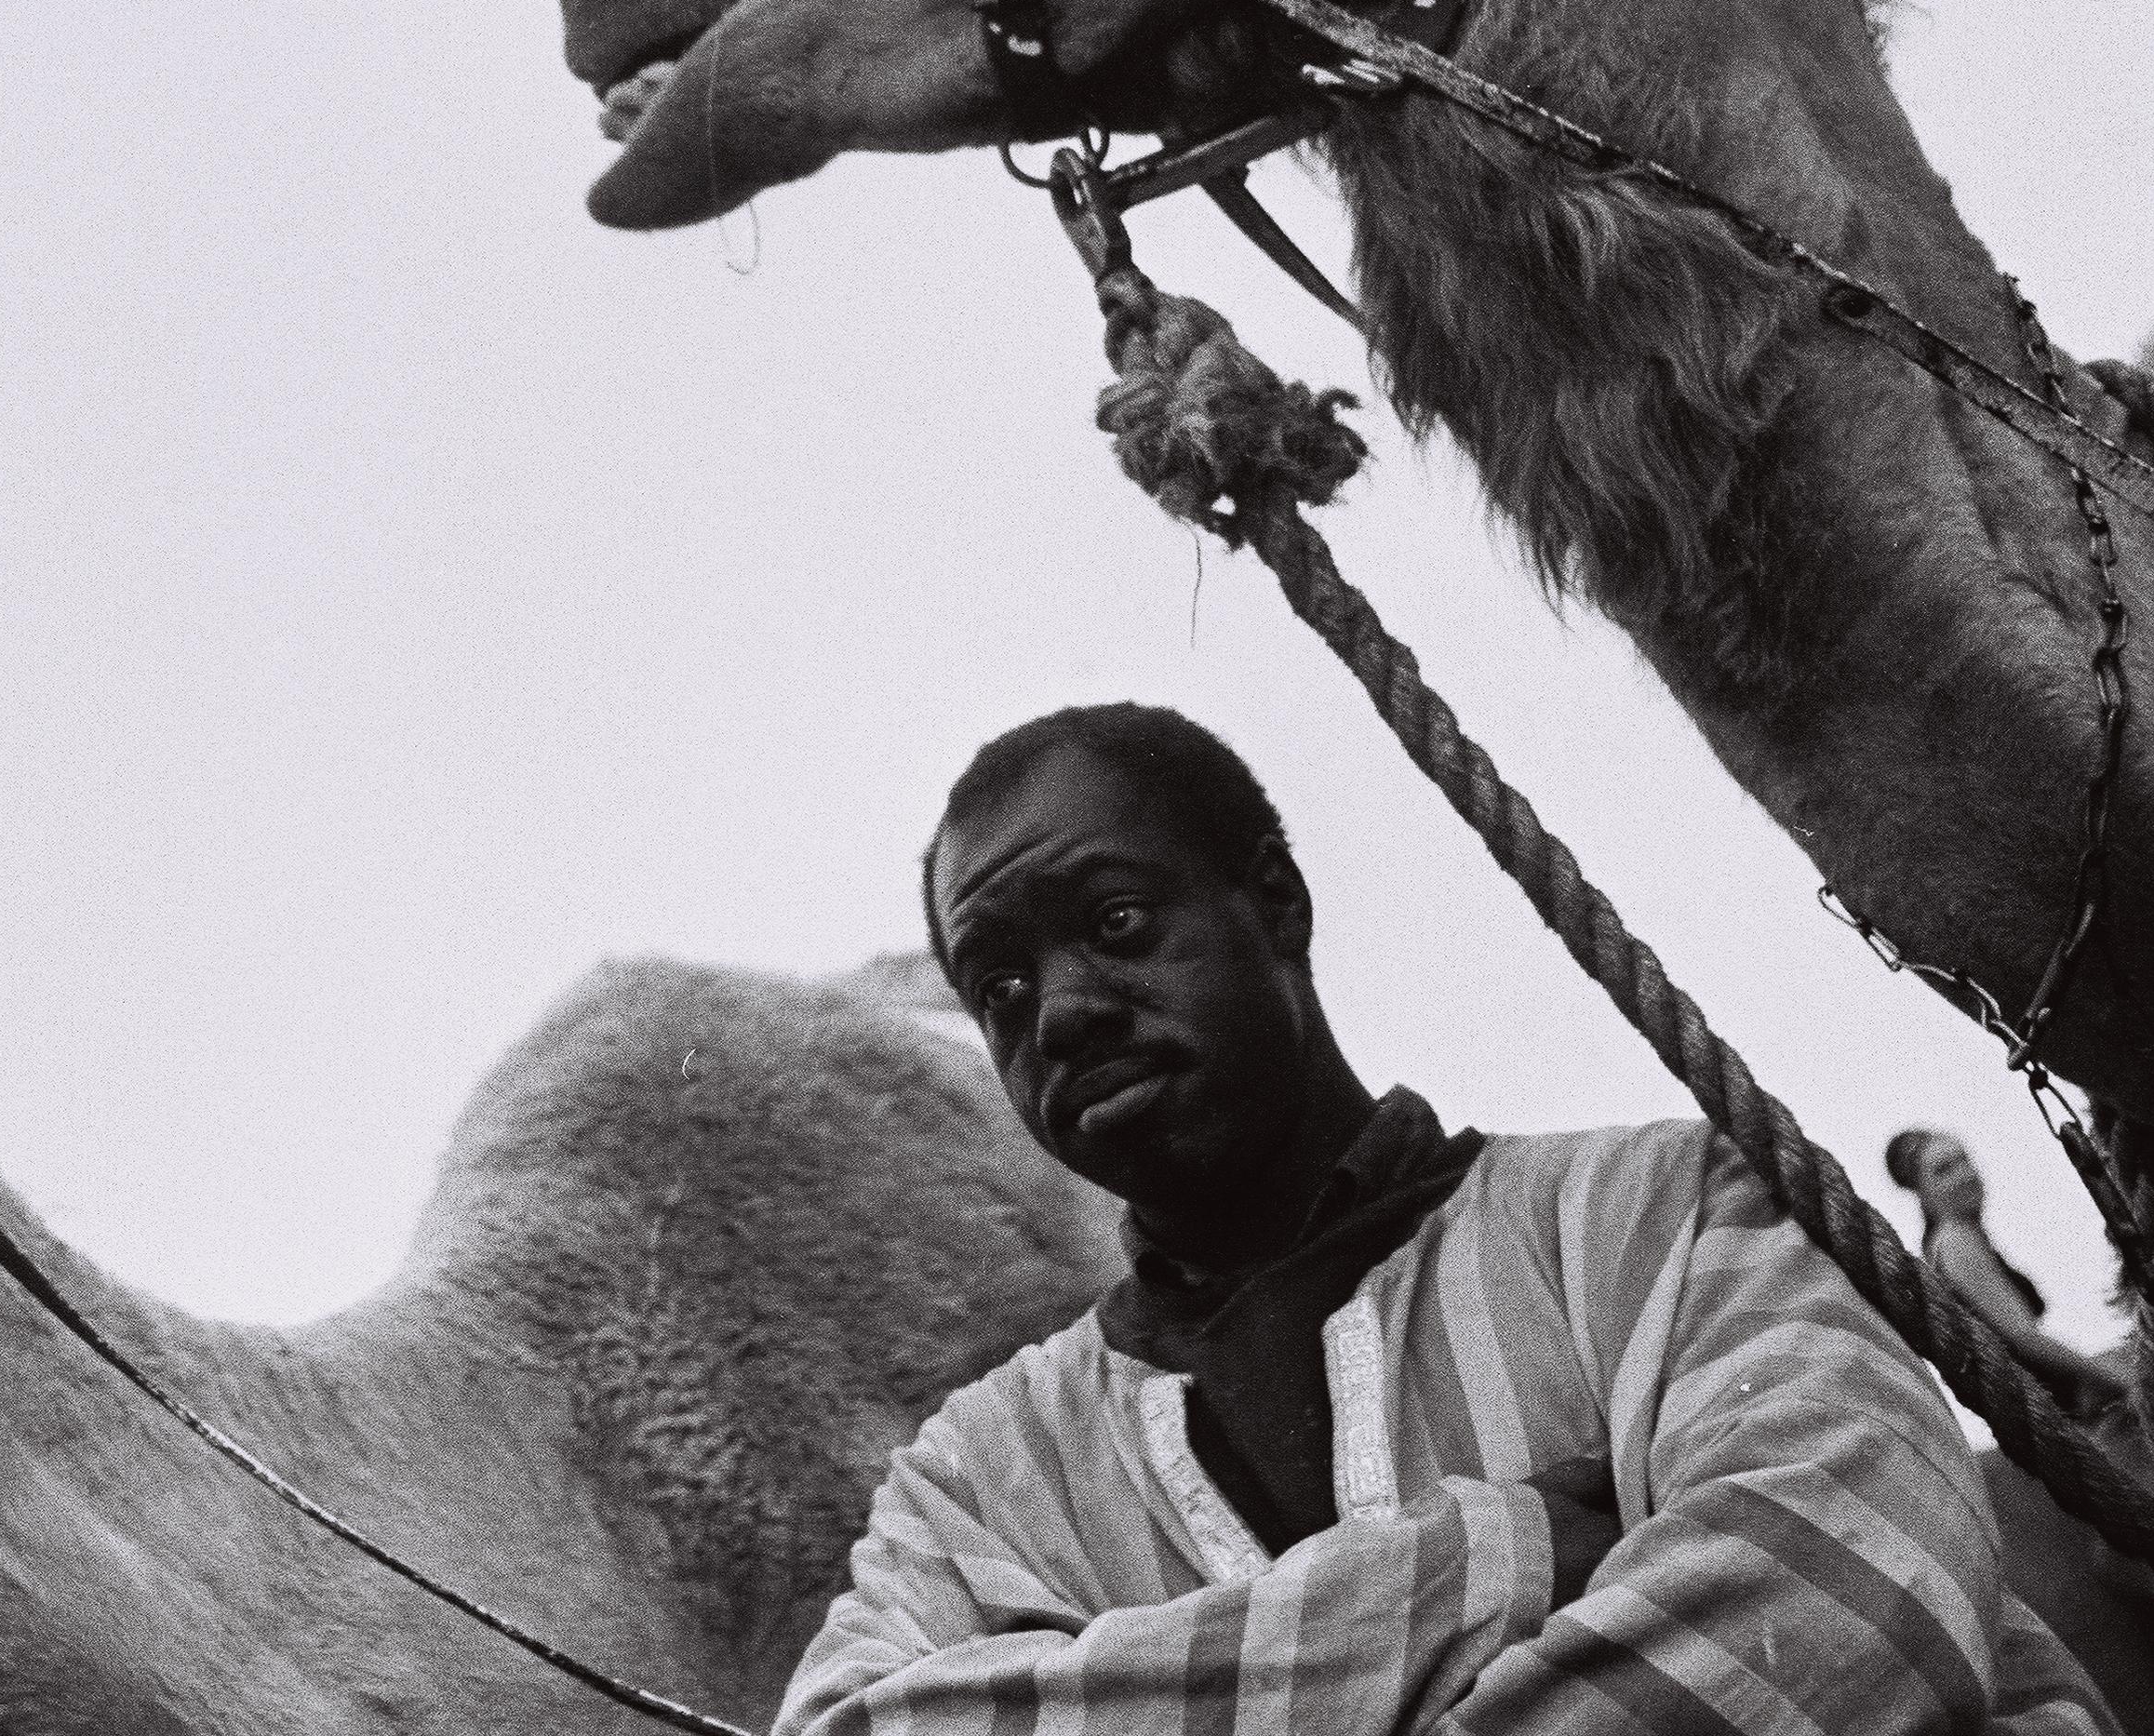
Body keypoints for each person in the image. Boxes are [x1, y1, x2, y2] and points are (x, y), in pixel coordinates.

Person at [778, 702, 2107, 1736]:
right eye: (999, 987)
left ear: (1276, 905)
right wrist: (1480, 1563)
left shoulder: (1665, 1212)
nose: (1058, 1010)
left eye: (1116, 921)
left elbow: (1855, 1593)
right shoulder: (980, 1474)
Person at [1887, 1128, 2132, 1417]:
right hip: (2068, 1415)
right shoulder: (1954, 1241)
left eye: (1964, 1160)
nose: (1965, 1175)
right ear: (1922, 1191)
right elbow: (2024, 1337)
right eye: (1944, 1170)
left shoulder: (1959, 1239)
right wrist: (2121, 1380)